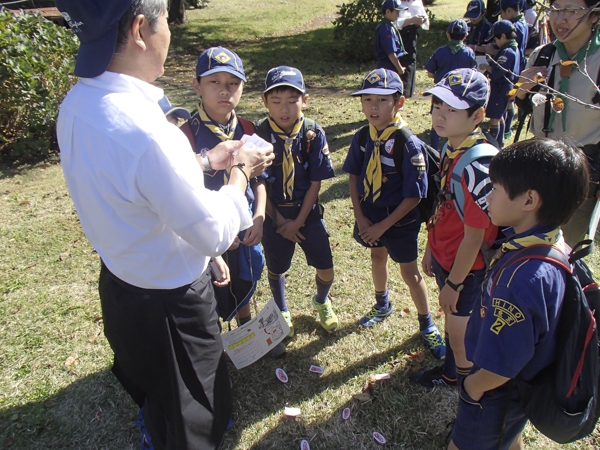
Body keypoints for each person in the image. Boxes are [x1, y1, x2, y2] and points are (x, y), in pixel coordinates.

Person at [54, 1, 274, 449]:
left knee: (151, 385)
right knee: (193, 420)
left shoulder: (77, 104)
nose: (168, 33)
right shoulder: (152, 133)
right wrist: (240, 172)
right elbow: (213, 232)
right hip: (171, 306)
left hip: (121, 286)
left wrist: (203, 160)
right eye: (167, 22)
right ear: (140, 29)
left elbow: (132, 184)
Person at [449, 138, 589, 450]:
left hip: (495, 393)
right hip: (517, 391)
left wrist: (472, 386)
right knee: (507, 438)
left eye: (495, 188)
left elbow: (500, 368)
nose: (488, 196)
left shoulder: (520, 281)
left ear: (529, 200)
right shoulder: (552, 242)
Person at [343, 69, 445, 359]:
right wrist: (362, 219)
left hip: (400, 218)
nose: (373, 107)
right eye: (367, 100)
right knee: (377, 256)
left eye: (382, 100)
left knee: (410, 272)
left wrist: (382, 226)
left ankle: (426, 324)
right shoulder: (363, 136)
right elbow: (353, 176)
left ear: (399, 103)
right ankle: (382, 304)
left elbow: (415, 195)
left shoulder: (407, 142)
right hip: (371, 212)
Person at [410, 68, 498, 388]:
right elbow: (445, 205)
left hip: (469, 270)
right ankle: (451, 372)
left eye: (452, 110)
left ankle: (468, 392)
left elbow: (475, 236)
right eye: (437, 106)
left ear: (478, 115)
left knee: (462, 338)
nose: (440, 116)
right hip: (448, 257)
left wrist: (456, 284)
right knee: (452, 322)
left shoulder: (478, 164)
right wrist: (432, 250)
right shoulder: (451, 146)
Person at [189, 47, 268, 332]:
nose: (225, 91)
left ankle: (246, 329)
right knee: (212, 286)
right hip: (204, 228)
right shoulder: (187, 133)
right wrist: (213, 251)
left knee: (244, 277)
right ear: (196, 85)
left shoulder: (246, 128)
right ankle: (213, 339)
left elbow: (259, 180)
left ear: (243, 88)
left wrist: (258, 216)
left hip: (243, 223)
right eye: (214, 82)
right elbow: (185, 196)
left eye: (233, 83)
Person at [256, 66, 338, 337]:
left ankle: (322, 300)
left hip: (307, 214)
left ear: (305, 100)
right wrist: (280, 221)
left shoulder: (313, 133)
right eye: (277, 102)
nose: (285, 109)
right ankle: (281, 309)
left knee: (326, 267)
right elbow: (260, 182)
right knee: (276, 267)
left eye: (292, 101)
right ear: (264, 102)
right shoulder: (260, 134)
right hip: (274, 215)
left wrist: (299, 222)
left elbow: (316, 181)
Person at [515, 0, 600, 247]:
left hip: (582, 171)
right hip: (538, 165)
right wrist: (522, 92)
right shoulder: (543, 54)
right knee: (529, 242)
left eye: (572, 11)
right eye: (555, 9)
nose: (560, 19)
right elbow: (529, 107)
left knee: (565, 249)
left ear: (594, 16)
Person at [425, 19, 477, 149]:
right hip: (460, 94)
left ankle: (434, 146)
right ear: (465, 36)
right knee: (458, 118)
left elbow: (430, 72)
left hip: (441, 92)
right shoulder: (469, 52)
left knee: (437, 118)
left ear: (448, 34)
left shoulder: (440, 52)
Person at [479, 20, 521, 147]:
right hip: (508, 86)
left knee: (494, 119)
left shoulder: (507, 52)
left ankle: (492, 144)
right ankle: (500, 141)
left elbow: (499, 72)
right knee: (500, 115)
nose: (495, 43)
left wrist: (487, 67)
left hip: (501, 87)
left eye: (496, 39)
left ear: (503, 36)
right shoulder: (515, 48)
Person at [395, 0, 429, 97]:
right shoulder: (397, 2)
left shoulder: (417, 2)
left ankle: (408, 92)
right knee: (399, 60)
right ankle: (398, 91)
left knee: (411, 61)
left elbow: (425, 21)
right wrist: (411, 20)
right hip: (399, 34)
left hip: (412, 34)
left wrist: (421, 20)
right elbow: (394, 22)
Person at [376, 0, 408, 76]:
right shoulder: (386, 29)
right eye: (396, 12)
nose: (398, 15)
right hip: (388, 67)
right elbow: (391, 52)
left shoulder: (389, 26)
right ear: (388, 12)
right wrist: (399, 68)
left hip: (390, 66)